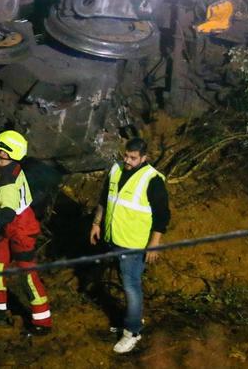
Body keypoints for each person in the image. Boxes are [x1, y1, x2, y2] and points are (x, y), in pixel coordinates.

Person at [89, 137, 170, 354]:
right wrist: (96, 223)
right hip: (114, 239)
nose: (128, 160)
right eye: (126, 155)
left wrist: (154, 244)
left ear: (144, 157)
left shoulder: (152, 180)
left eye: (133, 158)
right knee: (126, 283)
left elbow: (162, 216)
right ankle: (130, 319)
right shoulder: (115, 170)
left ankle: (132, 331)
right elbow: (104, 199)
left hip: (134, 244)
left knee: (131, 286)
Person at [0, 130, 51, 335]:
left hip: (20, 229)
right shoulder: (11, 168)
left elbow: (7, 213)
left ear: (5, 153)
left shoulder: (7, 185)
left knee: (27, 274)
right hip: (14, 226)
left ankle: (43, 321)